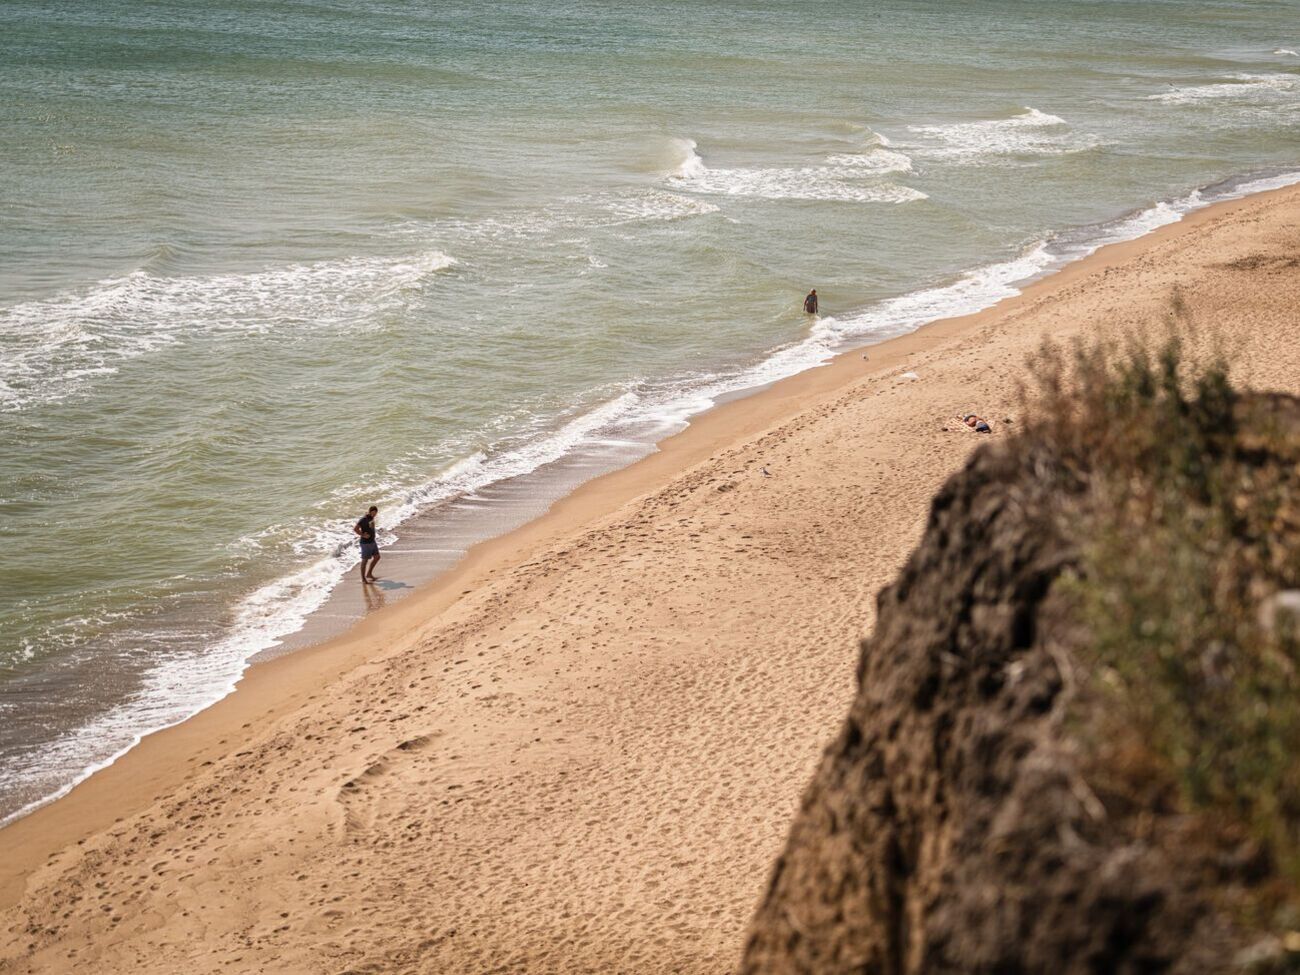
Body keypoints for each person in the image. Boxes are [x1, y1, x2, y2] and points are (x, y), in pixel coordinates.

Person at [354, 505, 381, 582]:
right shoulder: (363, 519)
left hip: (372, 541)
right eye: (373, 513)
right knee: (364, 561)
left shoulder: (371, 518)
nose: (374, 514)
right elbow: (355, 529)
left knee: (377, 557)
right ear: (370, 511)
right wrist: (363, 535)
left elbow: (371, 528)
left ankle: (369, 573)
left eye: (375, 513)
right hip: (365, 543)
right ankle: (363, 578)